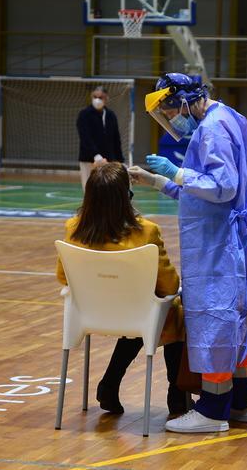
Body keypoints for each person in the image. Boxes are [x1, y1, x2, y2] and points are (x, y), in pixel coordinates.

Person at [129, 72, 247, 433]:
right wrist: (159, 180)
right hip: (222, 239)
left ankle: (212, 410)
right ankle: (239, 404)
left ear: (185, 100)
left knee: (215, 322)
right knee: (234, 322)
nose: (172, 118)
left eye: (170, 109)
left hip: (216, 245)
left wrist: (176, 173)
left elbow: (222, 187)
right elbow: (201, 190)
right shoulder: (223, 117)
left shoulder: (212, 129)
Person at [55, 162, 188, 416]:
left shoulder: (73, 227)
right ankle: (177, 392)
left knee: (145, 310)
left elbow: (63, 277)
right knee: (174, 309)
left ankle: (110, 384)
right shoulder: (147, 232)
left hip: (88, 314)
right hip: (134, 314)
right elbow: (169, 285)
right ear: (126, 197)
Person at [76, 86, 123, 190]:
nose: (97, 100)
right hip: (88, 159)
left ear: (106, 98)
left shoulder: (111, 115)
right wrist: (96, 155)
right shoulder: (84, 114)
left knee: (107, 188)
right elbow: (85, 137)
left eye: (100, 97)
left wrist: (120, 160)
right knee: (89, 188)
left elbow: (116, 139)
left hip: (108, 160)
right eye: (95, 96)